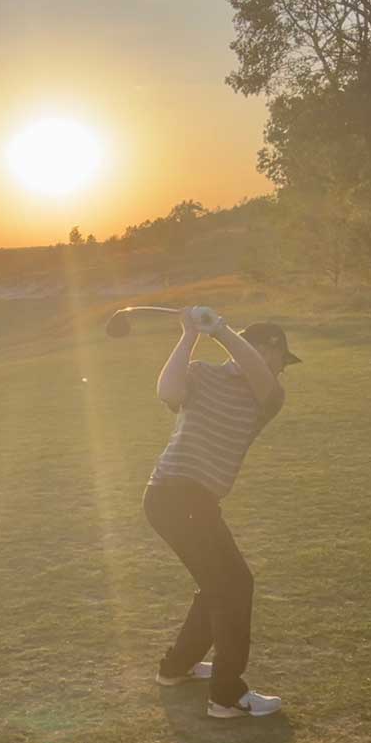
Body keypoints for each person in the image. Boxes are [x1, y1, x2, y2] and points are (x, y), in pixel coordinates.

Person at [144, 306, 300, 718]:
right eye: (282, 359)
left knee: (219, 584)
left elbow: (259, 376)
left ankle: (176, 668)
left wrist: (223, 332)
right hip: (173, 495)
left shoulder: (267, 398)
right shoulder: (202, 374)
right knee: (234, 586)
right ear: (268, 349)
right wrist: (189, 335)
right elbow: (168, 392)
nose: (281, 370)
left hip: (189, 501)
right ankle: (227, 696)